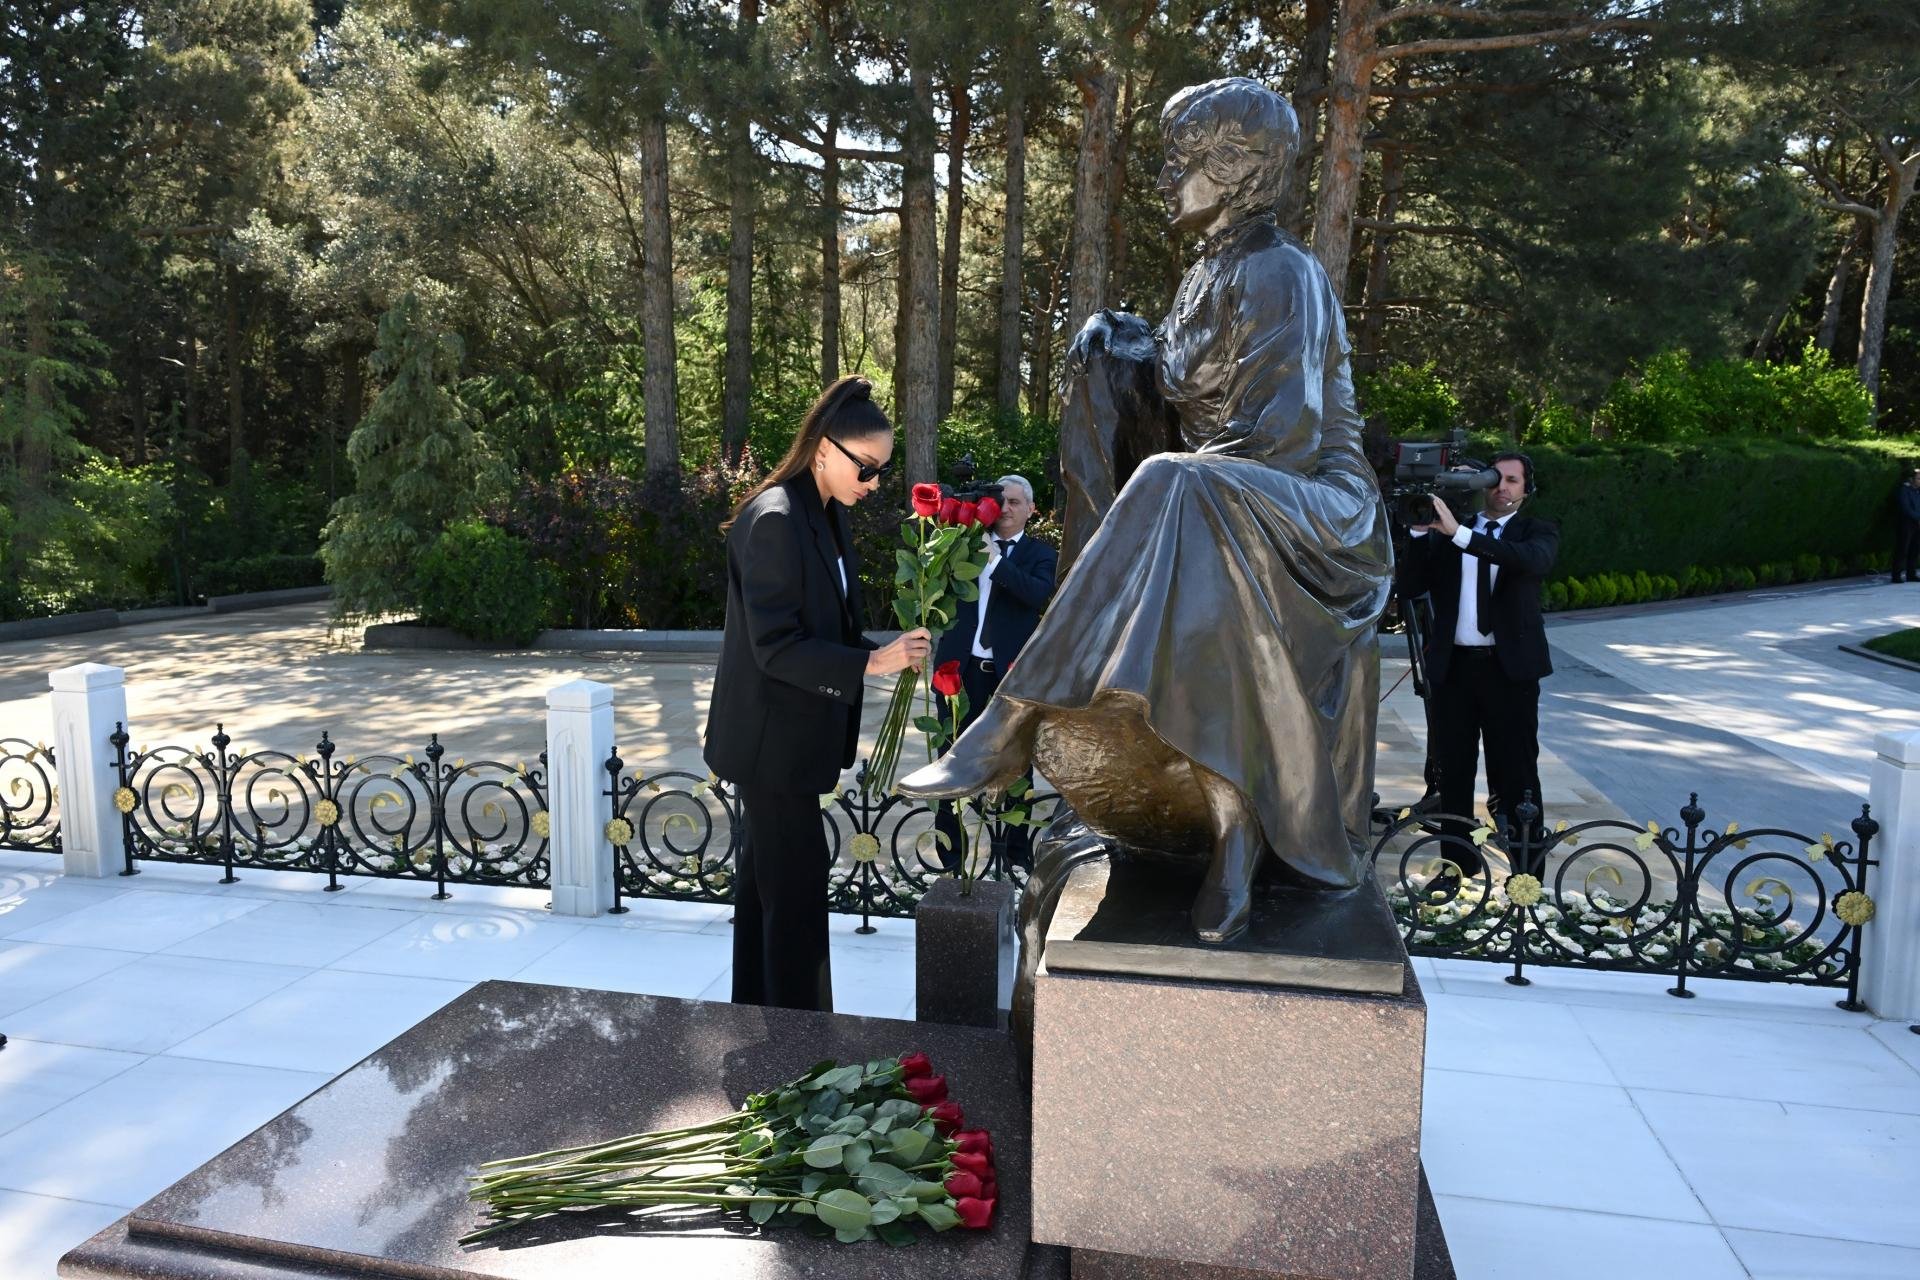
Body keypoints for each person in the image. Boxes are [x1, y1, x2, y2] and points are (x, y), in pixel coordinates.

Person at [901, 78, 1392, 945]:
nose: (1166, 179)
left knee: (1179, 483)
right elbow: (1175, 411)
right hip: (1225, 495)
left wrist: (1171, 447)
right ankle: (1231, 836)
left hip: (1323, 514)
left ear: (1237, 169)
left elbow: (1280, 439)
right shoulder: (1206, 274)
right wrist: (1117, 353)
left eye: (1183, 161)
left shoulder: (1283, 272)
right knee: (1179, 488)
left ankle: (1007, 717)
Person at [704, 376, 932, 1011]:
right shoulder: (775, 519)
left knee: (765, 893)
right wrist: (869, 664)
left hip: (792, 738)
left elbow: (826, 622)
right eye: (868, 468)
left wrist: (882, 647)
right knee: (796, 900)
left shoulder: (825, 512)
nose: (875, 483)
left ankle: (759, 1016)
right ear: (825, 449)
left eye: (882, 471)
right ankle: (800, 1047)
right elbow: (774, 646)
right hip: (771, 746)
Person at [1396, 455, 1560, 880]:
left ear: (1526, 489)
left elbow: (1528, 560)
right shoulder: (1449, 531)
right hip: (1455, 672)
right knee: (1453, 773)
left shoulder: (1535, 531)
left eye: (1512, 480)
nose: (1501, 487)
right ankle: (1457, 867)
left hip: (1510, 674)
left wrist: (1461, 535)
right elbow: (1411, 587)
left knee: (1517, 772)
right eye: (1494, 479)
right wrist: (1418, 533)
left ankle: (1527, 876)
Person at [930, 475, 1058, 872]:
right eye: (999, 500)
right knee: (951, 755)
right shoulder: (964, 544)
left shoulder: (1041, 553)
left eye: (1015, 502)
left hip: (1010, 673)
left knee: (1015, 758)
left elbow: (1036, 594)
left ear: (1031, 509)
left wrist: (996, 561)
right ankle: (950, 853)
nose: (1005, 508)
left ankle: (1014, 852)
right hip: (961, 669)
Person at [1894, 466, 1920, 583]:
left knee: (1915, 550)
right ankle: (1897, 575)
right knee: (1903, 549)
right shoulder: (1904, 490)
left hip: (1917, 524)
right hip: (1906, 523)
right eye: (1919, 479)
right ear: (1912, 479)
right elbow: (1906, 508)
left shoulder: (1918, 491)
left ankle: (1911, 574)